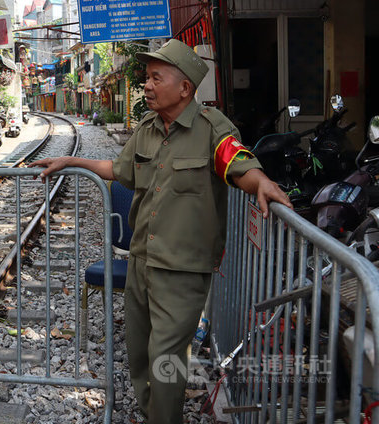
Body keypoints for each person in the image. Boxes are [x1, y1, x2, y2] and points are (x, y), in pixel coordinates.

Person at [31, 39, 291, 423]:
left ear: (185, 87)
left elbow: (235, 159)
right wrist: (72, 159)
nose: (147, 85)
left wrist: (260, 182)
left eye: (156, 78)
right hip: (141, 260)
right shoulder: (149, 129)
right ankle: (151, 413)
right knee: (139, 354)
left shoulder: (211, 128)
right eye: (147, 77)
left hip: (183, 268)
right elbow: (120, 171)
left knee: (167, 358)